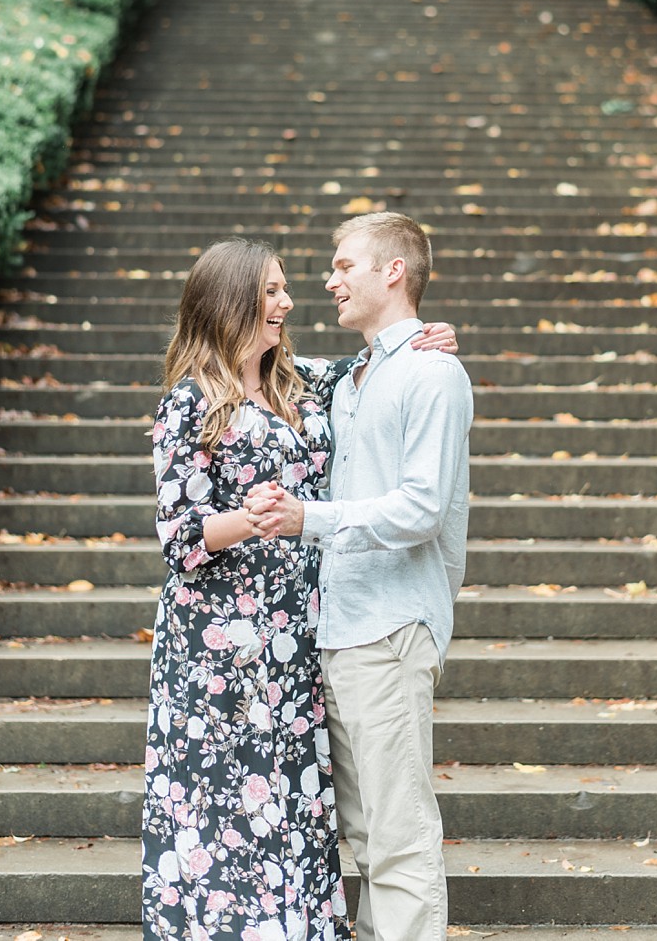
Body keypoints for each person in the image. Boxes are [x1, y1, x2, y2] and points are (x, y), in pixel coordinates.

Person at [141, 237, 457, 941]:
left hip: (296, 631)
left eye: (286, 289)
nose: (289, 302)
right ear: (235, 300)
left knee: (291, 796)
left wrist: (422, 336)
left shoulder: (300, 378)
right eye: (274, 291)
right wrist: (258, 519)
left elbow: (374, 364)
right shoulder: (191, 401)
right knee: (223, 804)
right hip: (218, 646)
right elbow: (179, 534)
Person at [249, 212, 474, 941]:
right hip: (339, 630)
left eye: (345, 265)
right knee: (367, 838)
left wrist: (305, 517)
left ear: (394, 271)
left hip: (392, 626)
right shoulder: (349, 379)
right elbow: (266, 366)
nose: (329, 279)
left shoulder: (433, 372)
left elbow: (420, 508)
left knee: (399, 835)